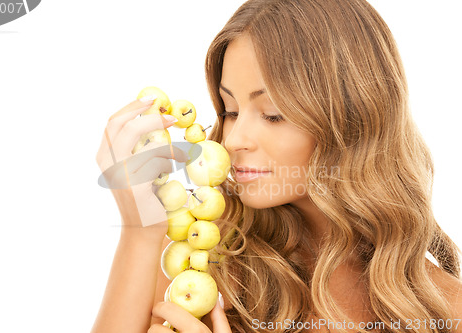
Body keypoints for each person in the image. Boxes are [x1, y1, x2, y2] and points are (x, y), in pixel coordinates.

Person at [92, 0, 462, 332]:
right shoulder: (201, 266)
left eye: (272, 115)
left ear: (354, 120)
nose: (234, 139)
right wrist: (140, 230)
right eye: (230, 110)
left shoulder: (446, 310)